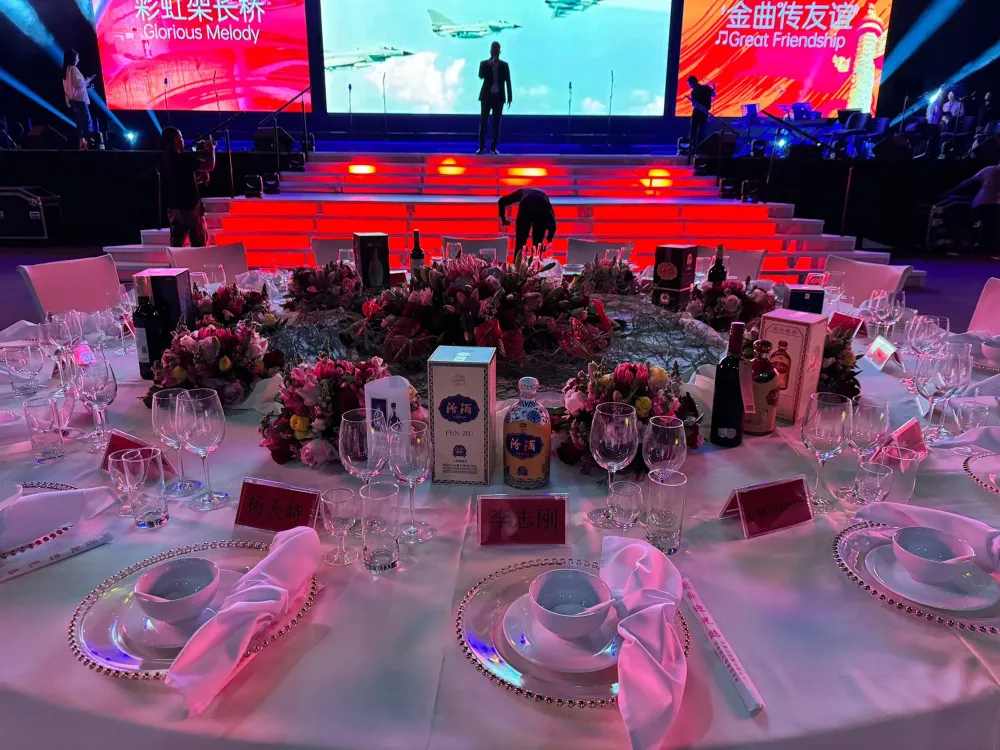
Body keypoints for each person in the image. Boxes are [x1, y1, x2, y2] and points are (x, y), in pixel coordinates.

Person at [160, 126, 215, 248]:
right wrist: (212, 149)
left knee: (176, 245)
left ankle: (175, 261)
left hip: (173, 208)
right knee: (199, 243)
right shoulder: (182, 158)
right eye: (181, 137)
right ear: (175, 139)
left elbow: (178, 181)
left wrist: (197, 180)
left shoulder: (165, 158)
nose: (183, 140)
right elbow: (209, 165)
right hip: (189, 207)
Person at [952, 160, 1000, 257]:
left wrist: (953, 190)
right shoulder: (989, 170)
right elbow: (969, 181)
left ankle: (961, 248)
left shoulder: (988, 169)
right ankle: (962, 247)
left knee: (969, 224)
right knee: (994, 228)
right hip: (988, 203)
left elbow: (969, 181)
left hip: (986, 203)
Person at [478, 41, 512, 155]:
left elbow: (508, 81)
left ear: (499, 51)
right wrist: (489, 66)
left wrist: (510, 97)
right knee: (483, 122)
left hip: (499, 97)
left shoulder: (504, 65)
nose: (495, 52)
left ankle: (493, 148)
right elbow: (480, 76)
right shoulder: (484, 64)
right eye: (494, 49)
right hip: (486, 97)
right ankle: (482, 147)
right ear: (490, 51)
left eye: (497, 50)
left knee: (496, 123)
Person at [499, 188, 556, 253]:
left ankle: (518, 258)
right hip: (541, 208)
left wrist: (503, 220)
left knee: (520, 245)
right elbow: (552, 223)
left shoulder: (521, 192)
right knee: (537, 247)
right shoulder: (544, 198)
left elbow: (501, 201)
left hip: (526, 204)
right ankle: (536, 255)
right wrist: (549, 240)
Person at [62, 50, 95, 150]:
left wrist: (87, 87)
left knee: (80, 124)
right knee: (87, 122)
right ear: (73, 58)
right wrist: (88, 80)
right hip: (79, 102)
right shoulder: (73, 69)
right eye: (77, 57)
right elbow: (79, 84)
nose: (78, 59)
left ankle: (82, 144)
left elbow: (73, 89)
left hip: (73, 101)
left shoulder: (66, 70)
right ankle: (88, 145)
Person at [687, 75, 716, 155]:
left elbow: (694, 104)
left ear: (693, 82)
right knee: (701, 132)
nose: (690, 86)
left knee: (693, 131)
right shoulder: (706, 88)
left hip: (697, 113)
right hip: (704, 113)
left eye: (689, 84)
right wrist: (712, 89)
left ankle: (692, 149)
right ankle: (699, 150)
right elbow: (714, 95)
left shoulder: (694, 92)